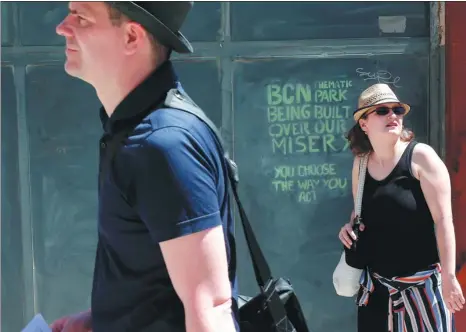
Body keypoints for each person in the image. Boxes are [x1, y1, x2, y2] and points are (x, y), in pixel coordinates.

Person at [50, 2, 238, 332]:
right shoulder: (134, 130)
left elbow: (212, 308)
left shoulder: (163, 144)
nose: (62, 27)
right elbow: (159, 287)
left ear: (132, 37)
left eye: (81, 16)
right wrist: (103, 320)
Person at [338, 83, 465, 331]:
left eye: (397, 110)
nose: (393, 116)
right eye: (382, 111)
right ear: (364, 124)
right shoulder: (361, 165)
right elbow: (362, 214)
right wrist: (348, 228)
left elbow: (443, 221)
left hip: (423, 289)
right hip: (377, 291)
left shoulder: (421, 158)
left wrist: (449, 277)